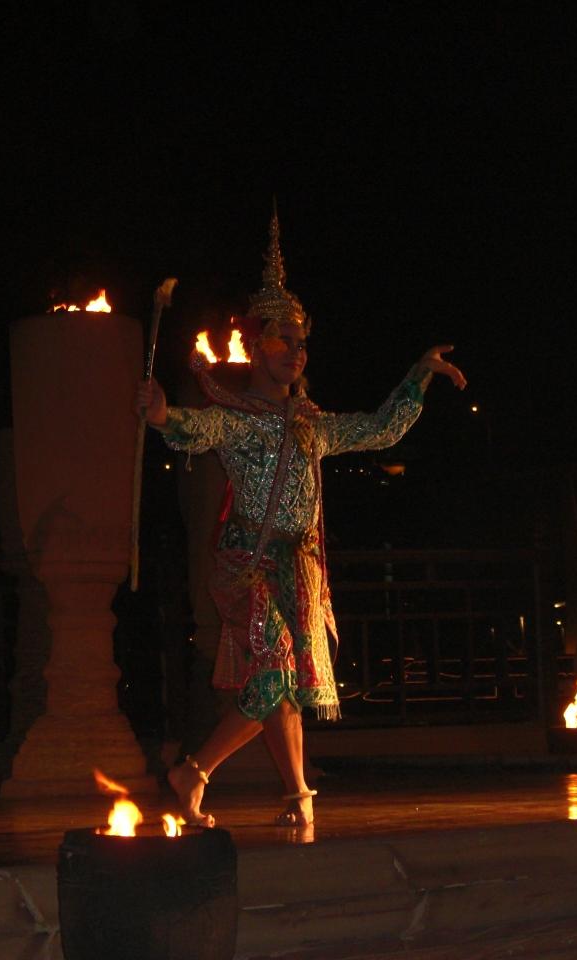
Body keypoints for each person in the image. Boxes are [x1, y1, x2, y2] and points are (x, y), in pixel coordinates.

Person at [137, 212, 466, 827]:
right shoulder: (238, 417)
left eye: (301, 342)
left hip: (299, 565)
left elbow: (379, 429)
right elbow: (196, 428)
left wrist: (418, 375)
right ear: (255, 345)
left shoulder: (313, 424)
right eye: (283, 340)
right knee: (275, 670)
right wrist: (161, 417)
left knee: (285, 683)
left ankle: (297, 795)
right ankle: (194, 772)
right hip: (247, 564)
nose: (296, 352)